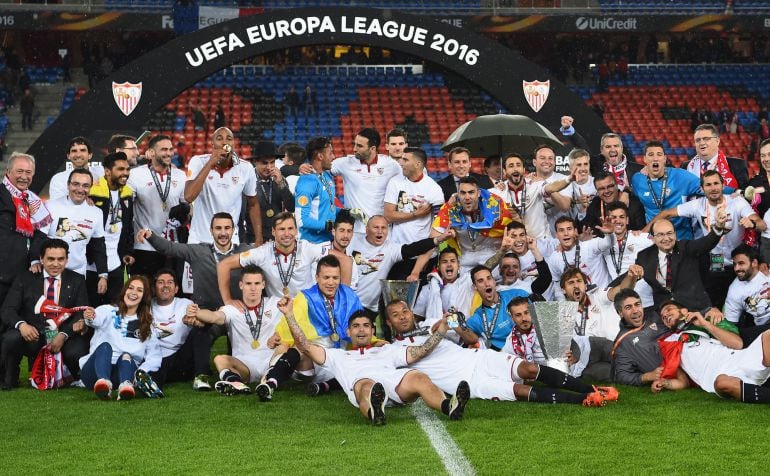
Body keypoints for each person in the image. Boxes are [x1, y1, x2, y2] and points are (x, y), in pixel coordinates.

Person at [386, 300, 618, 407]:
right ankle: (584, 400)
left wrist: (454, 323)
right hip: (468, 381)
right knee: (519, 390)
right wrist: (441, 332)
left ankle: (593, 389)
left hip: (479, 358)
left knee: (529, 369)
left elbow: (471, 339)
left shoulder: (429, 324)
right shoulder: (393, 349)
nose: (403, 316)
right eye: (396, 315)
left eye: (405, 310)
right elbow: (418, 354)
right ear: (389, 322)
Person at [282, 297, 470, 425]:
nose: (361, 330)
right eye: (356, 327)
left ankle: (449, 407)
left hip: (393, 383)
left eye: (366, 326)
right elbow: (305, 345)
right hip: (364, 384)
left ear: (373, 331)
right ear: (348, 332)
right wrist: (289, 315)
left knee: (419, 377)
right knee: (365, 386)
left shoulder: (389, 349)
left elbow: (421, 351)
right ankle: (375, 413)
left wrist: (443, 329)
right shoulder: (336, 356)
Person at [137, 212, 251, 390]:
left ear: (233, 230)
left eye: (227, 228)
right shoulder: (199, 251)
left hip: (235, 312)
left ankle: (236, 373)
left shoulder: (243, 252)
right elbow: (170, 248)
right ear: (211, 230)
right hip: (208, 312)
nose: (223, 232)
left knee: (239, 341)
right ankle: (201, 375)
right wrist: (151, 236)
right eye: (218, 228)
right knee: (200, 332)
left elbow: (266, 256)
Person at [651, 170, 764, 309]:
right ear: (702, 189)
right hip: (716, 259)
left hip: (739, 258)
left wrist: (752, 223)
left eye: (716, 183)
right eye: (708, 185)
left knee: (747, 298)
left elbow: (761, 224)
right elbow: (666, 213)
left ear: (723, 185)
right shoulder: (698, 205)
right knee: (717, 299)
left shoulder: (737, 202)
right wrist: (645, 231)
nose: (713, 188)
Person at [259, 255, 364, 401]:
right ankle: (270, 383)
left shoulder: (350, 296)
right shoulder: (306, 297)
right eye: (326, 277)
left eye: (335, 278)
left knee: (361, 361)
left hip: (342, 354)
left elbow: (362, 325)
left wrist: (374, 341)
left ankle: (324, 386)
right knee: (293, 346)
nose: (331, 283)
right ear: (317, 277)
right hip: (314, 356)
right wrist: (277, 335)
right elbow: (290, 320)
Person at [1, 239, 90, 389]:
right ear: (41, 259)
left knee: (77, 350)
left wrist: (63, 334)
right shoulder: (25, 277)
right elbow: (7, 309)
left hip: (64, 336)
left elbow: (80, 312)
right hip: (34, 336)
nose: (56, 264)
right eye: (50, 259)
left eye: (60, 259)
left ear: (67, 260)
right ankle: (10, 376)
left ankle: (75, 374)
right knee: (10, 338)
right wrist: (22, 325)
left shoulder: (77, 280)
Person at [185, 265, 284, 396]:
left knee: (286, 347)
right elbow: (214, 317)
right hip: (245, 366)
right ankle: (237, 383)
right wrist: (197, 312)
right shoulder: (232, 309)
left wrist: (280, 334)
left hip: (272, 361)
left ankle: (246, 379)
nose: (253, 288)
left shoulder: (275, 303)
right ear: (241, 285)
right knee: (220, 359)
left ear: (263, 285)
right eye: (248, 283)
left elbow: (297, 313)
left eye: (257, 283)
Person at [651, 299, 770, 405]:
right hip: (719, 376)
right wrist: (665, 383)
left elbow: (738, 344)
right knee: (722, 383)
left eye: (668, 309)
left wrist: (705, 325)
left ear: (684, 310)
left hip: (739, 357)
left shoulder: (708, 321)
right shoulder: (669, 343)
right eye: (662, 317)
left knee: (768, 335)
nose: (665, 315)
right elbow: (683, 382)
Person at [217, 212, 347, 303]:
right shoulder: (262, 253)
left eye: (290, 228)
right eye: (281, 229)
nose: (286, 234)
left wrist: (342, 297)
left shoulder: (307, 248)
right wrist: (228, 300)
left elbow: (345, 260)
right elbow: (224, 265)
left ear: (296, 231)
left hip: (307, 307)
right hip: (277, 310)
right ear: (273, 232)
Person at [79, 276, 164, 400]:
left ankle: (125, 387)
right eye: (130, 288)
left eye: (139, 290)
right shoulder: (108, 310)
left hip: (123, 372)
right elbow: (95, 320)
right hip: (94, 373)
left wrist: (140, 373)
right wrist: (90, 316)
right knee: (105, 346)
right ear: (124, 291)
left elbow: (154, 356)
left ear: (144, 297)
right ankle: (104, 383)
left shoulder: (147, 324)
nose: (134, 292)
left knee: (126, 355)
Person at [348, 215, 450, 316]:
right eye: (376, 227)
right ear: (366, 229)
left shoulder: (391, 249)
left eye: (383, 228)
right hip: (346, 303)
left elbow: (413, 248)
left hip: (367, 308)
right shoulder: (352, 239)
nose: (380, 231)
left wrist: (439, 239)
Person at [626, 217, 726, 315]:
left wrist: (718, 227)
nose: (666, 238)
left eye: (669, 233)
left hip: (696, 310)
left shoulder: (686, 247)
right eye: (660, 235)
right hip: (665, 315)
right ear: (652, 238)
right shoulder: (644, 257)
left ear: (675, 234)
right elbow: (629, 279)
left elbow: (707, 242)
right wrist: (629, 277)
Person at [184, 126, 261, 245]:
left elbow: (253, 204)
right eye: (219, 138)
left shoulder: (245, 168)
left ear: (233, 143)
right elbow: (189, 196)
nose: (225, 142)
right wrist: (210, 163)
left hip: (229, 240)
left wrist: (259, 238)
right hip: (199, 240)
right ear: (212, 143)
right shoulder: (198, 162)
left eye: (229, 138)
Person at [128, 134, 188, 278]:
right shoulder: (135, 174)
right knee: (145, 291)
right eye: (164, 150)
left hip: (172, 246)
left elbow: (187, 206)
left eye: (170, 149)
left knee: (170, 292)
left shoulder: (180, 175)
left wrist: (186, 212)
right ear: (152, 152)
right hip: (144, 245)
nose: (169, 153)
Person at [0, 153, 50, 311]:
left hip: (20, 275)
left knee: (11, 323)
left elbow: (41, 234)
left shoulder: (33, 200)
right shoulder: (1, 194)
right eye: (19, 171)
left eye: (28, 173)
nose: (24, 177)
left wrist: (35, 258)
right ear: (8, 172)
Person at [430, 177, 512, 273]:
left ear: (479, 193)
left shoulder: (496, 206)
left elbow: (514, 229)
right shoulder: (449, 209)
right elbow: (433, 240)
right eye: (463, 193)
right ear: (458, 194)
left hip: (491, 254)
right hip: (466, 259)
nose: (467, 197)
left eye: (471, 192)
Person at [330, 128, 401, 235]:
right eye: (355, 144)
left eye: (359, 146)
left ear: (372, 148)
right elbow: (319, 169)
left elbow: (406, 183)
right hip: (355, 232)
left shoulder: (391, 165)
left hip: (381, 232)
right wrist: (303, 167)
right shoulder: (345, 163)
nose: (354, 149)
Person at [43, 169, 108, 285]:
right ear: (68, 185)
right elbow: (39, 239)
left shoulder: (96, 212)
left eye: (85, 185)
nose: (80, 189)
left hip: (78, 274)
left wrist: (103, 274)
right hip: (49, 272)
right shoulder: (50, 206)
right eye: (76, 184)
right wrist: (34, 261)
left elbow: (99, 246)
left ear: (90, 188)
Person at [490, 152, 574, 239]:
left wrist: (569, 179)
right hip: (515, 244)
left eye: (518, 165)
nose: (515, 169)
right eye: (511, 166)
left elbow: (551, 188)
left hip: (540, 242)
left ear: (523, 169)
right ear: (504, 171)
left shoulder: (535, 185)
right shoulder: (498, 192)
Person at [88, 152, 135, 307]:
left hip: (115, 262)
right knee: (92, 309)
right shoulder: (93, 192)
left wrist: (127, 251)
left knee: (115, 308)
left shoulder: (127, 193)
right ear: (107, 171)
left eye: (127, 169)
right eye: (120, 169)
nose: (125, 173)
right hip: (92, 264)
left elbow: (128, 226)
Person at [632, 141, 702, 239]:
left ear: (664, 159)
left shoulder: (681, 176)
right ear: (645, 159)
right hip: (654, 239)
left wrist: (731, 192)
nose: (655, 158)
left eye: (659, 154)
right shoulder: (637, 180)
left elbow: (708, 187)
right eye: (651, 155)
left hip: (681, 238)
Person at [560, 268, 620, 380]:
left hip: (610, 346)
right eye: (571, 283)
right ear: (563, 290)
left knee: (621, 358)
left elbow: (619, 290)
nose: (576, 285)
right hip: (585, 359)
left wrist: (631, 277)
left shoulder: (598, 295)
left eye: (579, 281)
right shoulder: (561, 314)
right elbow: (566, 344)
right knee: (609, 373)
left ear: (586, 286)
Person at [383, 147, 444, 246]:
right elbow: (388, 216)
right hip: (397, 250)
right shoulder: (394, 182)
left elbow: (439, 225)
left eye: (405, 160)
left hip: (421, 248)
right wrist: (415, 214)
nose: (401, 163)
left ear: (417, 164)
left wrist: (429, 248)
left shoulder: (434, 189)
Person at [148, 269, 194, 388]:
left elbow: (200, 320)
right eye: (161, 282)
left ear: (176, 288)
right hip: (154, 355)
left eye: (170, 282)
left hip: (179, 357)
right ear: (154, 288)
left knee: (200, 332)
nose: (165, 286)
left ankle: (201, 374)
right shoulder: (146, 307)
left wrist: (195, 320)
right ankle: (151, 385)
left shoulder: (186, 304)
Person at [465, 265, 529, 351]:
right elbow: (468, 338)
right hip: (507, 357)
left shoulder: (517, 294)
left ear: (494, 281)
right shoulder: (478, 317)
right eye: (481, 281)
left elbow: (543, 313)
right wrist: (451, 322)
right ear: (475, 287)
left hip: (532, 345)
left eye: (489, 278)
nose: (487, 283)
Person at [610, 288, 665, 386]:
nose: (635, 310)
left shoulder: (656, 316)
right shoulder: (623, 342)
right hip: (670, 372)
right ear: (620, 313)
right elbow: (622, 375)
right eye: (628, 307)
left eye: (637, 304)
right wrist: (646, 377)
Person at [546, 216, 611, 295]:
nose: (566, 233)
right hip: (579, 302)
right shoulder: (554, 258)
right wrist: (566, 304)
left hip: (603, 297)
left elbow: (608, 243)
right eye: (561, 230)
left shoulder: (589, 245)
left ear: (575, 231)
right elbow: (557, 285)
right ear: (556, 235)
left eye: (569, 229)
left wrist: (610, 233)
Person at [724, 245, 770, 347]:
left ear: (754, 263)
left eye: (741, 263)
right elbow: (731, 324)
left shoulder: (766, 270)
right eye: (734, 264)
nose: (736, 268)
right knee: (742, 337)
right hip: (764, 329)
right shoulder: (734, 290)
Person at [295, 136, 339, 243]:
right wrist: (331, 226)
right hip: (311, 244)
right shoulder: (307, 182)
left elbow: (328, 205)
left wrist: (346, 212)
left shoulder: (327, 176)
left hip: (328, 241)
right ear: (320, 156)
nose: (333, 157)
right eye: (330, 153)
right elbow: (301, 220)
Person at [683, 123, 748, 192]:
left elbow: (743, 195)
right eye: (698, 140)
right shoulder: (686, 166)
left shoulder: (737, 165)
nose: (701, 143)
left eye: (706, 139)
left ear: (717, 141)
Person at [250, 141, 294, 243]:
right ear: (255, 162)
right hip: (254, 237)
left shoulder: (279, 179)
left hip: (277, 238)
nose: (269, 167)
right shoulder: (248, 180)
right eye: (265, 163)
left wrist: (281, 184)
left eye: (272, 162)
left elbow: (291, 207)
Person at [581, 172, 646, 234]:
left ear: (617, 185)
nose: (606, 191)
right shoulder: (596, 203)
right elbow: (585, 228)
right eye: (601, 188)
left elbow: (640, 232)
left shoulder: (633, 204)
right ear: (597, 191)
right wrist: (582, 210)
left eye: (610, 186)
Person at [49, 137, 104, 201]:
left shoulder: (102, 172)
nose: (78, 155)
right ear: (68, 156)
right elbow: (57, 206)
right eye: (74, 151)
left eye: (82, 150)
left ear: (90, 155)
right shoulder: (58, 179)